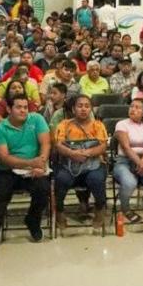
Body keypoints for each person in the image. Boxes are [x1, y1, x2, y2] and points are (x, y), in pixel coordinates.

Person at [0, 94, 50, 260]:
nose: (23, 110)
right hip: (6, 170)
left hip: (33, 169)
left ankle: (32, 221)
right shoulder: (0, 129)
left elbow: (46, 143)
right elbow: (5, 158)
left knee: (43, 189)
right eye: (19, 107)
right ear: (8, 109)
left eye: (25, 107)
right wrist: (31, 163)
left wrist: (41, 162)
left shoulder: (37, 119)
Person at [53, 94, 108, 231]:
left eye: (87, 106)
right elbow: (58, 145)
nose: (83, 109)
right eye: (80, 106)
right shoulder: (64, 125)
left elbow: (102, 146)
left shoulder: (98, 125)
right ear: (73, 109)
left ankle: (99, 209)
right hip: (68, 165)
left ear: (91, 109)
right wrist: (72, 154)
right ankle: (59, 211)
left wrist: (87, 153)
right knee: (61, 179)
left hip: (93, 164)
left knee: (97, 179)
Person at [113, 98, 143, 222]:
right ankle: (126, 209)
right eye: (131, 106)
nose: (133, 109)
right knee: (129, 183)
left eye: (137, 107)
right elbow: (126, 147)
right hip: (124, 161)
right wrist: (140, 163)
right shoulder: (121, 124)